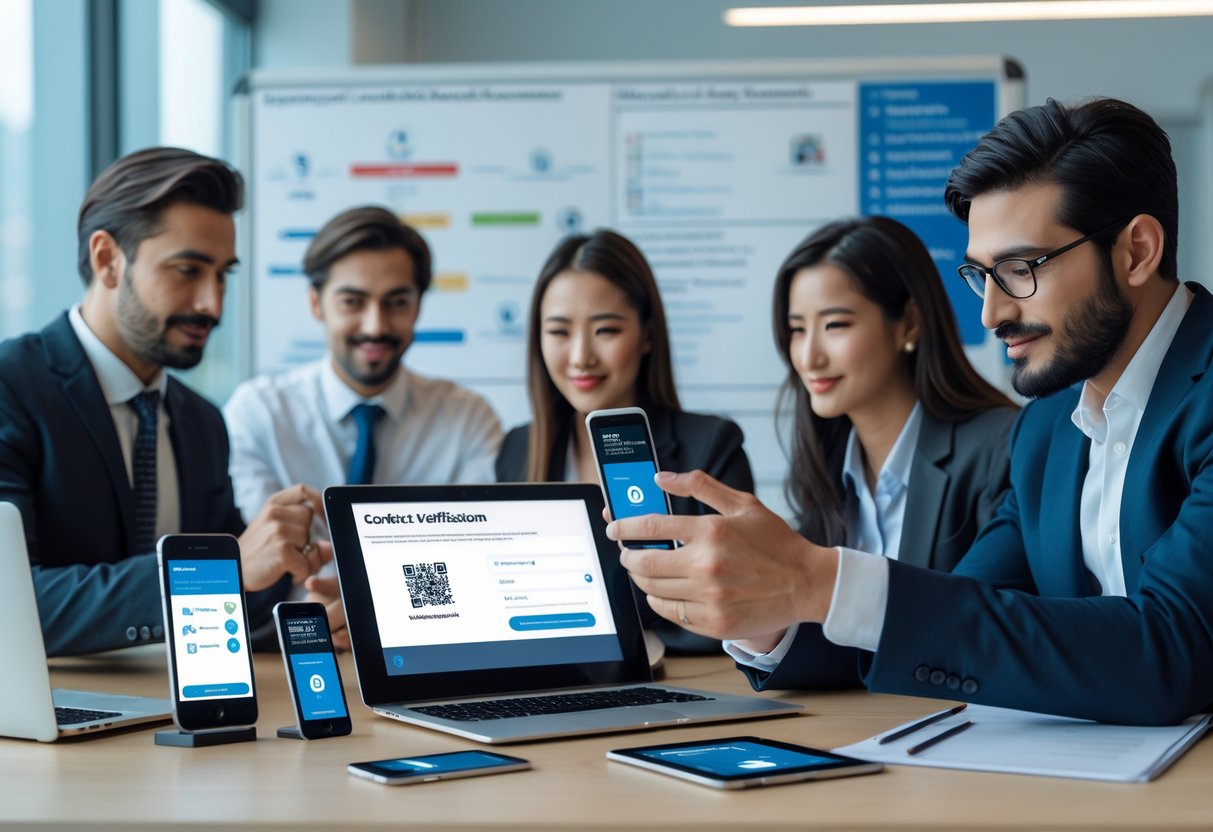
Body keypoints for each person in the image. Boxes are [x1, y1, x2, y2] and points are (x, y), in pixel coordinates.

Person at [611, 97, 1213, 725]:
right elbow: (956, 616)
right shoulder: (1044, 432)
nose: (991, 314)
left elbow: (1169, 650)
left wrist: (821, 579)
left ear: (1137, 251)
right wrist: (772, 607)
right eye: (981, 275)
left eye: (1019, 269)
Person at [0, 148, 325, 656]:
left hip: (177, 716)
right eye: (187, 270)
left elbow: (233, 595)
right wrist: (219, 570)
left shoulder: (201, 422)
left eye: (222, 275)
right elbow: (11, 604)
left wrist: (301, 594)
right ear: (107, 259)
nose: (212, 304)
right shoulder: (10, 387)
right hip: (43, 721)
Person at [756, 215, 1017, 688]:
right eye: (797, 329)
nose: (809, 357)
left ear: (908, 324)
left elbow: (983, 632)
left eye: (835, 324)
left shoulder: (1000, 448)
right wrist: (758, 621)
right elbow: (843, 654)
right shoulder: (827, 468)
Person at [225, 206, 503, 643]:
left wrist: (383, 610)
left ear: (418, 306)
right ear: (316, 303)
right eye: (353, 302)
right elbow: (266, 563)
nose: (375, 326)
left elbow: (481, 564)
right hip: (292, 653)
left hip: (429, 652)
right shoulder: (260, 414)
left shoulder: (468, 420)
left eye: (396, 302)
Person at [495, 229, 754, 652]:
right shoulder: (517, 450)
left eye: (605, 330)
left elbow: (734, 602)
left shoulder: (710, 447)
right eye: (559, 332)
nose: (580, 356)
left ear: (647, 335)